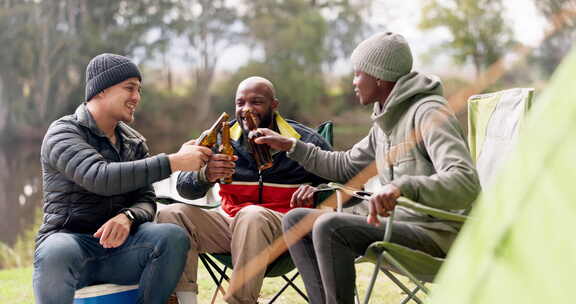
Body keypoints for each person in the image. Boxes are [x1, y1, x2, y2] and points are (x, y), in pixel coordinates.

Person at [256, 32, 481, 304]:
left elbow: (465, 182)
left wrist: (403, 187)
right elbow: (346, 165)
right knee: (296, 221)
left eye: (357, 74)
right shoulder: (386, 121)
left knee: (331, 225)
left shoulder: (429, 114)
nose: (353, 82)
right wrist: (292, 146)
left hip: (434, 234)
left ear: (378, 77)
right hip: (396, 226)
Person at [33, 53, 213, 304]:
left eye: (139, 90)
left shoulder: (134, 142)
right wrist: (174, 162)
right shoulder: (63, 133)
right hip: (70, 245)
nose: (136, 98)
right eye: (129, 88)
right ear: (101, 90)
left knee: (172, 237)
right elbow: (99, 176)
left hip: (122, 251)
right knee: (56, 250)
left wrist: (128, 217)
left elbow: (147, 200)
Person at [156, 76, 332, 304]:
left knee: (251, 214)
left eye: (256, 102)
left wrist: (316, 190)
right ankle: (183, 300)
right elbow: (185, 188)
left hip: (286, 233)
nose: (247, 109)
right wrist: (205, 175)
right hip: (231, 226)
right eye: (240, 103)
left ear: (274, 105)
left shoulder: (304, 140)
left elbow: (342, 183)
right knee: (170, 215)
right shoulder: (221, 137)